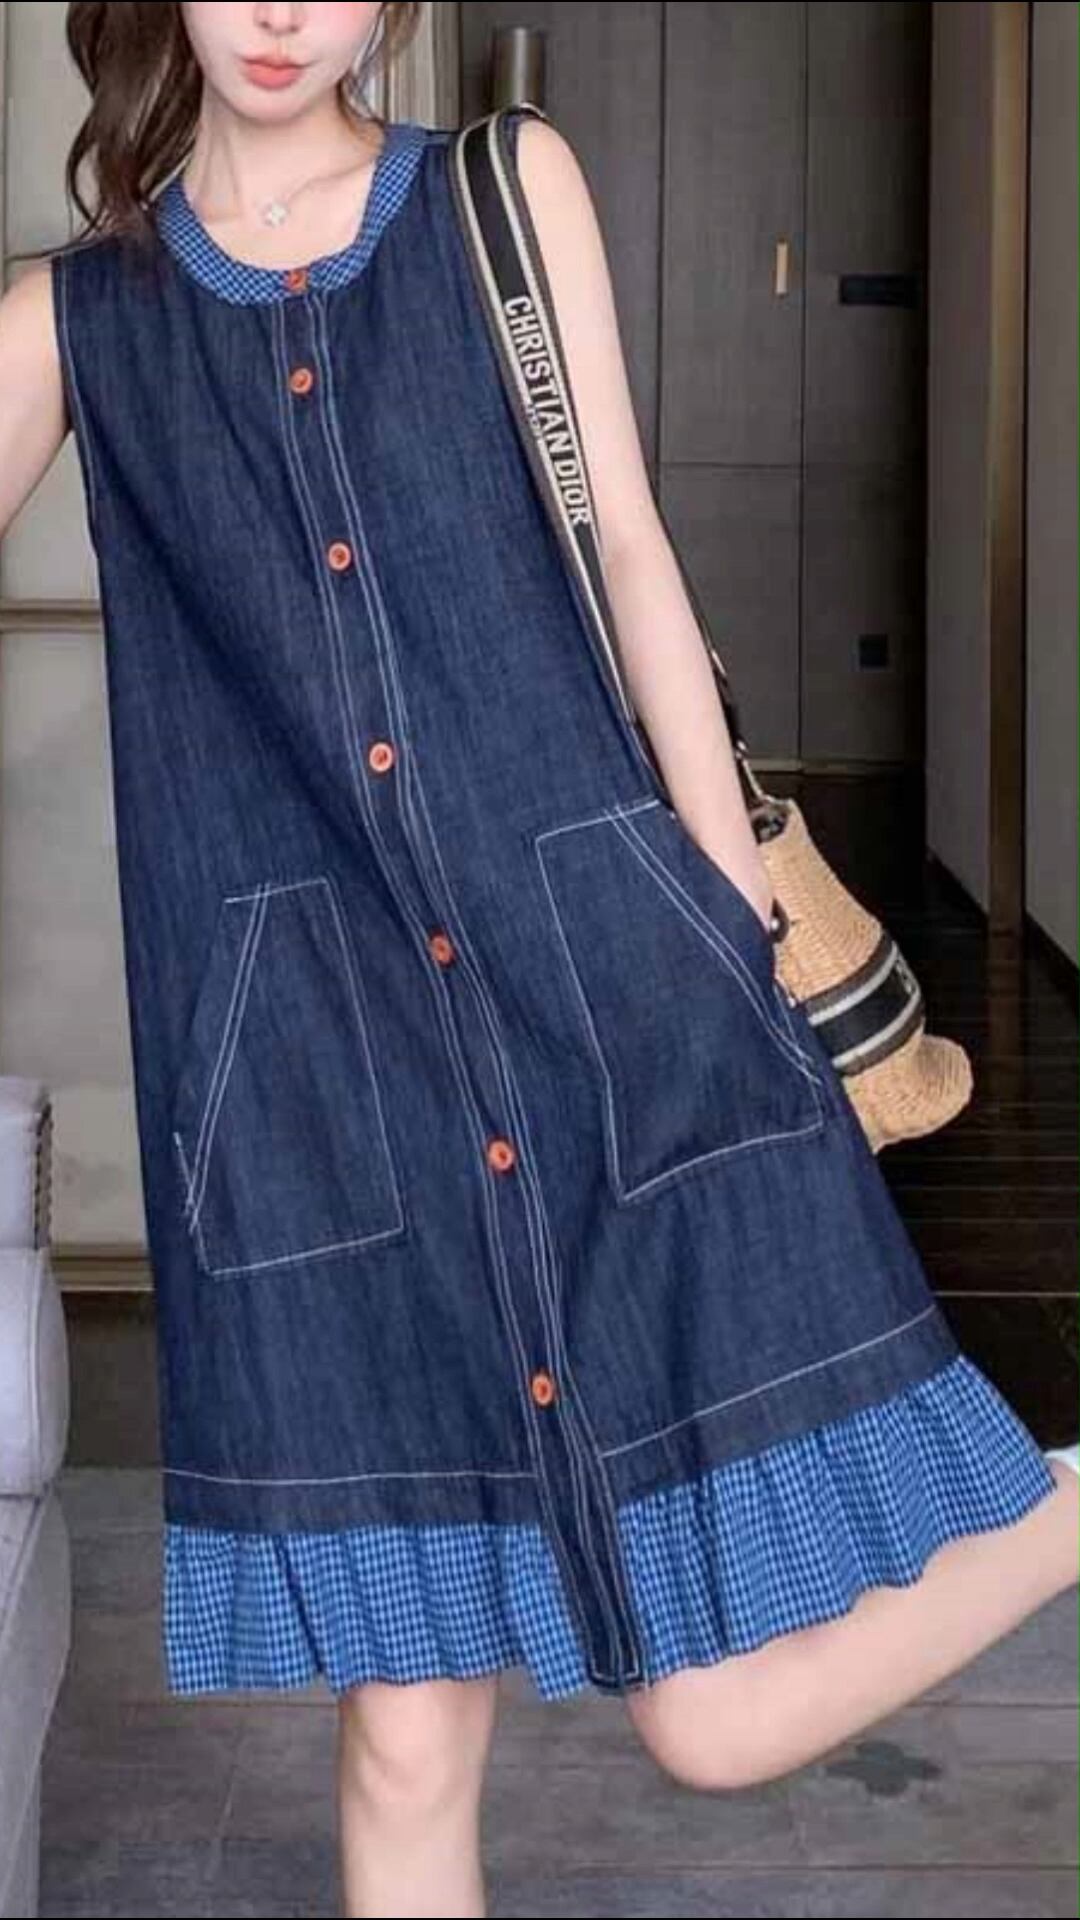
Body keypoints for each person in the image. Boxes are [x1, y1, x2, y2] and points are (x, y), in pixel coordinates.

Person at [1, 4, 1075, 1916]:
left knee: (712, 1720)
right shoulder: (73, 320)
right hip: (317, 1098)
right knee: (405, 1739)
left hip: (611, 1007)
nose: (280, 13)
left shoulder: (499, 195)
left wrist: (737, 925)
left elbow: (632, 552)